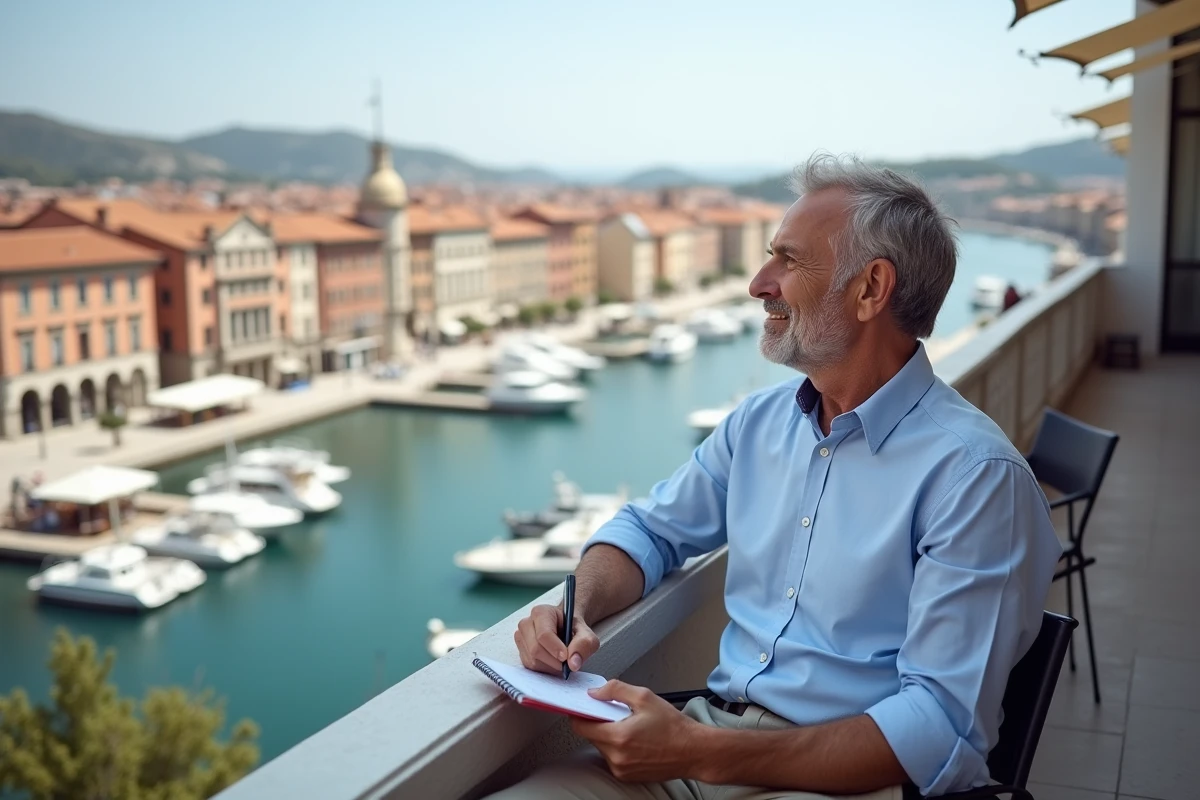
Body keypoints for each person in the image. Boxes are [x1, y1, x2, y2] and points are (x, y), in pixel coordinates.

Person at [491, 154, 1062, 800]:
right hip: (698, 750)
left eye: (788, 261)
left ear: (871, 288)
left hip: (841, 784)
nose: (758, 284)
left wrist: (699, 751)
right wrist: (575, 610)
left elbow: (937, 731)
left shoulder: (977, 480)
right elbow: (647, 531)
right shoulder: (758, 424)